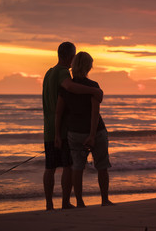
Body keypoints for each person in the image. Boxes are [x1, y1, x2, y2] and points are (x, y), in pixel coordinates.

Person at [42, 42, 103, 210]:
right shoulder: (63, 72)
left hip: (48, 128)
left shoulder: (49, 72)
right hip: (62, 129)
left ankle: (48, 204)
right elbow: (70, 87)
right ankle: (65, 202)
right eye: (74, 55)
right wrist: (93, 91)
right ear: (70, 56)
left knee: (50, 167)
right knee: (68, 166)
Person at [55, 52, 114, 207]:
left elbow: (59, 113)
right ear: (88, 67)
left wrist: (56, 134)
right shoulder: (93, 86)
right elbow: (95, 113)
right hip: (96, 132)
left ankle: (80, 201)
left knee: (77, 167)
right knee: (102, 166)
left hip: (74, 132)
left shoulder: (66, 87)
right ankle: (104, 199)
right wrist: (92, 135)